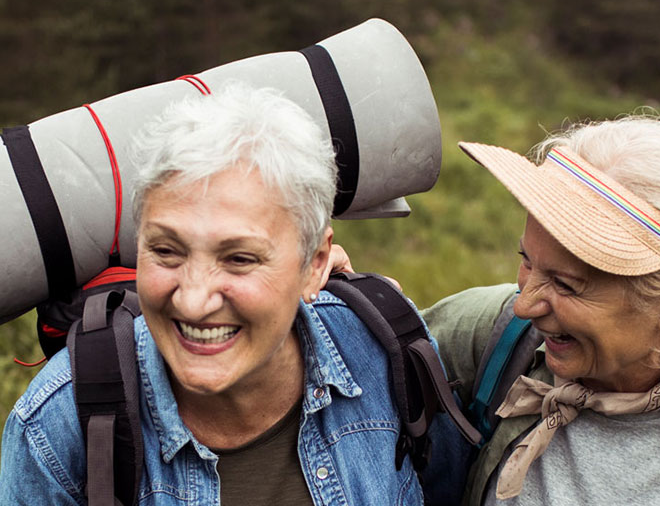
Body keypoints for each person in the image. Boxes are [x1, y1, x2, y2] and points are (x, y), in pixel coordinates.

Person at [0, 84, 468, 505]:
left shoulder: (384, 352)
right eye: (166, 251)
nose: (193, 301)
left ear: (316, 264)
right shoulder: (55, 428)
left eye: (239, 259)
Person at [419, 115, 660, 505]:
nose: (525, 305)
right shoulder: (497, 335)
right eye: (527, 261)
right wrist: (347, 296)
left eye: (566, 285)